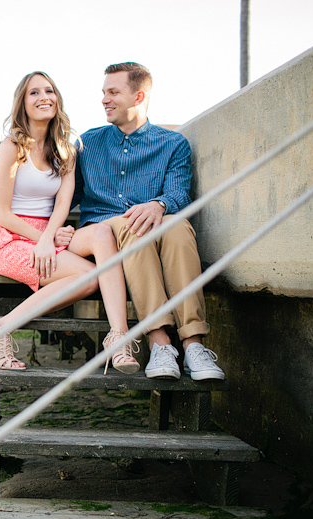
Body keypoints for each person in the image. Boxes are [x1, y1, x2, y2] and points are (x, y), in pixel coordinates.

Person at [71, 61, 224, 381]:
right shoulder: (88, 143)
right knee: (132, 225)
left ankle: (193, 344)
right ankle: (159, 342)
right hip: (104, 226)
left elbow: (179, 193)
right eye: (103, 92)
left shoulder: (173, 144)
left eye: (113, 92)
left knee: (179, 227)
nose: (104, 99)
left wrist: (159, 204)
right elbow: (67, 195)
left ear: (139, 97)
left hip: (154, 225)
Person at [0, 71, 138, 375]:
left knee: (103, 233)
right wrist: (43, 240)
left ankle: (119, 339)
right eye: (34, 93)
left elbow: (62, 205)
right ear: (22, 104)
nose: (43, 98)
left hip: (47, 235)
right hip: (11, 238)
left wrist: (50, 236)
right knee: (89, 277)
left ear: (57, 99)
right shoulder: (12, 146)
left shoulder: (66, 149)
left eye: (49, 91)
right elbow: (2, 213)